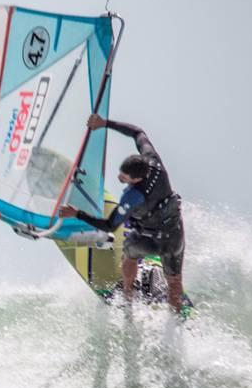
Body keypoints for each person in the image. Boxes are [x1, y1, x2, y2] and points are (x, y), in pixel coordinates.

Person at [59, 114, 186, 313]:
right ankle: (176, 315)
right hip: (175, 235)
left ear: (136, 179)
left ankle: (128, 299)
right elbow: (138, 132)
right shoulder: (153, 161)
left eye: (124, 177)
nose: (120, 177)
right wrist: (105, 124)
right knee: (175, 281)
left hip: (151, 239)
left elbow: (110, 226)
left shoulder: (134, 196)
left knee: (129, 254)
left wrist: (76, 214)